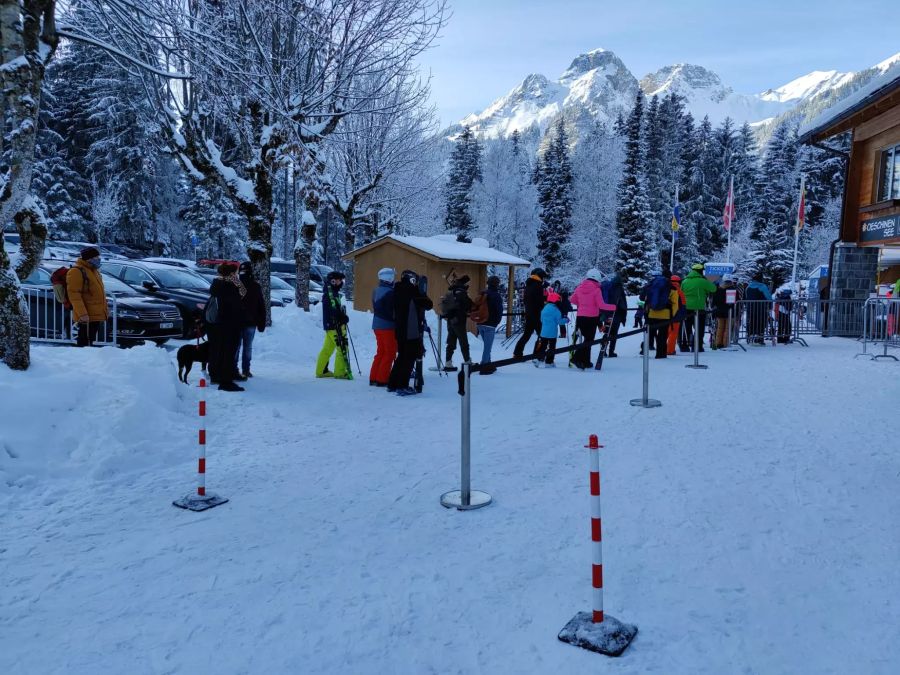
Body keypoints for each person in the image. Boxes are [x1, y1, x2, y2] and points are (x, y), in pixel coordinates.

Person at [388, 269, 434, 394]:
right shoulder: (412, 290)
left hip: (400, 330)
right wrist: (422, 291)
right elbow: (429, 304)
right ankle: (402, 386)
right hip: (411, 330)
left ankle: (392, 383)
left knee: (401, 357)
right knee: (409, 358)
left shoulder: (396, 289)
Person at [208, 262, 246, 391]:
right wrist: (236, 281)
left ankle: (218, 376)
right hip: (230, 323)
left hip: (219, 324)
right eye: (235, 273)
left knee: (219, 350)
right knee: (228, 352)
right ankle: (226, 381)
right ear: (231, 274)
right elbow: (241, 296)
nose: (237, 275)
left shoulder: (217, 284)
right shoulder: (229, 286)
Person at [569, 268, 615, 369]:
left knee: (586, 339)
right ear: (598, 278)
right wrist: (613, 307)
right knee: (589, 340)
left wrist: (582, 304)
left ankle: (586, 361)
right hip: (592, 318)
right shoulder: (596, 289)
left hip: (580, 317)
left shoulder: (579, 287)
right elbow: (601, 305)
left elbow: (572, 299)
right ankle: (576, 358)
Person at [66, 246, 107, 347]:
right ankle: (81, 361)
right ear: (89, 258)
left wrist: (104, 310)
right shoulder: (76, 271)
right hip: (86, 315)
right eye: (96, 257)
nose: (99, 259)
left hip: (95, 313)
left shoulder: (93, 270)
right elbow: (74, 295)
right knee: (85, 343)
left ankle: (87, 361)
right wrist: (82, 314)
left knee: (90, 340)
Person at [316, 271, 352, 379]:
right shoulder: (330, 293)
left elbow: (334, 308)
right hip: (334, 325)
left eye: (342, 280)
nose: (341, 282)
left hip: (330, 325)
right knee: (342, 348)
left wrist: (341, 315)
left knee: (327, 349)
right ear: (333, 281)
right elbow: (332, 310)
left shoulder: (332, 291)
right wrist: (341, 317)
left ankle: (321, 370)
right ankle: (340, 372)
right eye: (339, 280)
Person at [235, 261, 266, 380]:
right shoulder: (255, 286)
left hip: (237, 322)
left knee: (236, 347)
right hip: (250, 322)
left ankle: (235, 368)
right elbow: (261, 306)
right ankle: (246, 369)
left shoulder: (235, 284)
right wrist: (261, 323)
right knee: (247, 347)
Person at [640, 269, 678, 359]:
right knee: (662, 335)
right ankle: (660, 354)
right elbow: (675, 304)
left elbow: (643, 297)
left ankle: (644, 349)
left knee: (649, 333)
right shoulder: (672, 288)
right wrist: (672, 315)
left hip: (651, 314)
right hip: (665, 315)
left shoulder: (653, 284)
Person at [470, 275, 503, 375]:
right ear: (497, 284)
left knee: (487, 345)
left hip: (480, 322)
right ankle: (484, 366)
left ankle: (488, 364)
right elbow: (499, 310)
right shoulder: (496, 296)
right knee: (487, 347)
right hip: (490, 324)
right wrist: (496, 321)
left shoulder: (483, 293)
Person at [681, 263, 717, 352]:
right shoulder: (703, 281)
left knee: (686, 327)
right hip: (699, 308)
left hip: (686, 308)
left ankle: (685, 345)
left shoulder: (685, 281)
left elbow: (681, 291)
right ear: (701, 271)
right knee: (699, 328)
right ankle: (697, 346)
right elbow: (713, 289)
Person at [370, 268, 396, 387]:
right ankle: (382, 379)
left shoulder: (376, 290)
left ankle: (374, 377)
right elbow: (392, 311)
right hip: (387, 326)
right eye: (393, 277)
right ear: (389, 278)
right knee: (389, 352)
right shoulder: (390, 292)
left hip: (377, 325)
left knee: (381, 351)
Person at [512, 268, 548, 358]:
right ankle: (538, 354)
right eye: (543, 277)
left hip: (529, 313)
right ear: (540, 276)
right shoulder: (538, 286)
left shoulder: (529, 285)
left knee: (526, 335)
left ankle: (517, 353)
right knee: (543, 335)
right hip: (536, 315)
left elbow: (527, 300)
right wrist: (545, 303)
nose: (543, 279)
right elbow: (539, 301)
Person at [442, 275, 473, 370]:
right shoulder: (462, 293)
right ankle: (467, 361)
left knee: (451, 342)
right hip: (459, 320)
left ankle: (448, 362)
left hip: (450, 320)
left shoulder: (451, 291)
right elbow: (469, 305)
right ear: (464, 283)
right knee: (463, 341)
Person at [535, 291, 568, 367]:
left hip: (544, 332)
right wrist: (566, 320)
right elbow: (560, 322)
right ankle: (549, 362)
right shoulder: (556, 310)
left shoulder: (544, 308)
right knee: (552, 347)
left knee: (543, 346)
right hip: (552, 333)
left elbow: (541, 319)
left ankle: (538, 358)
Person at [600, 272, 627, 357]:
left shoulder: (608, 286)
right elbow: (622, 302)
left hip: (607, 313)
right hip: (616, 314)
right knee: (614, 334)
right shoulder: (619, 288)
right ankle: (611, 351)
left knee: (607, 332)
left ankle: (603, 349)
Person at [745, 274, 773, 344]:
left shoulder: (748, 286)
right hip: (761, 308)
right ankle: (759, 338)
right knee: (761, 322)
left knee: (752, 321)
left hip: (750, 308)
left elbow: (745, 296)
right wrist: (770, 306)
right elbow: (768, 297)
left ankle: (750, 336)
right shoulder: (762, 286)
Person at [712, 274, 737, 349]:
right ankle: (725, 343)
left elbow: (714, 301)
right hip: (729, 311)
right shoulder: (733, 290)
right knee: (727, 328)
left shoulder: (719, 289)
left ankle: (718, 343)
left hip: (719, 311)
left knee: (720, 327)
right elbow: (736, 300)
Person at [668, 274, 687, 356]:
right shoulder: (680, 292)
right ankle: (670, 350)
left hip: (666, 314)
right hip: (676, 315)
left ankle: (660, 347)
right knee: (673, 333)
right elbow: (683, 305)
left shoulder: (666, 289)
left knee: (665, 332)